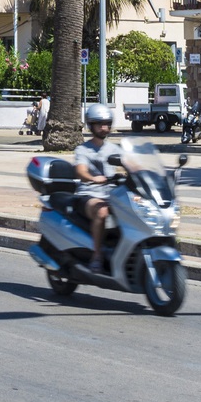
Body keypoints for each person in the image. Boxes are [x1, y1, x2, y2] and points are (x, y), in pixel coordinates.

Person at [70, 103, 124, 274]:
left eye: (107, 124)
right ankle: (97, 256)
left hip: (110, 196)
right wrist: (93, 178)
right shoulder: (83, 149)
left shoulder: (115, 148)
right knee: (102, 212)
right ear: (91, 125)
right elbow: (80, 171)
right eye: (99, 124)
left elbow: (129, 166)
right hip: (88, 195)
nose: (104, 127)